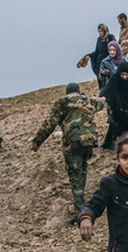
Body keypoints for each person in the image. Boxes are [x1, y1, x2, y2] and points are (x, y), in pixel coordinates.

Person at [31, 83, 105, 224]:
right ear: (79, 91)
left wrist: (37, 141)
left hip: (73, 143)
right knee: (82, 170)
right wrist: (104, 98)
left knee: (75, 178)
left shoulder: (62, 101)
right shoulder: (87, 100)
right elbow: (101, 103)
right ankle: (83, 207)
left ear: (67, 92)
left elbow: (50, 122)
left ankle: (80, 216)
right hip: (89, 142)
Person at [77, 24, 116, 90]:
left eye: (101, 31)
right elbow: (97, 51)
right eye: (99, 32)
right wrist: (88, 55)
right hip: (99, 63)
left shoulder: (110, 37)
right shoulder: (99, 39)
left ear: (105, 30)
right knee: (100, 80)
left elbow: (114, 49)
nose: (100, 33)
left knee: (107, 80)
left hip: (107, 63)